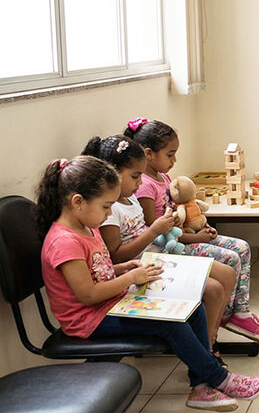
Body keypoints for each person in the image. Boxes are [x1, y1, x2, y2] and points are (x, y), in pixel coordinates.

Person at [35, 156, 259, 411]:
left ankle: (201, 386)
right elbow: (87, 294)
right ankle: (219, 378)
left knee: (192, 308)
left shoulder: (87, 227)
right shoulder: (64, 242)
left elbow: (94, 271)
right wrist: (130, 278)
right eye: (105, 206)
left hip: (110, 303)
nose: (109, 213)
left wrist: (121, 268)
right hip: (87, 319)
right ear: (77, 202)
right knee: (172, 324)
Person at [84, 135, 237, 357]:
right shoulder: (109, 211)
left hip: (160, 256)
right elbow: (116, 256)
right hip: (144, 266)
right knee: (213, 289)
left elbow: (150, 232)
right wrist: (155, 230)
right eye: (135, 176)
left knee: (227, 272)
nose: (139, 183)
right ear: (112, 175)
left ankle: (209, 339)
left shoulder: (131, 198)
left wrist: (168, 225)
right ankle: (207, 350)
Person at [126, 118, 259, 342]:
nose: (175, 160)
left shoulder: (163, 177)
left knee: (242, 247)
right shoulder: (144, 186)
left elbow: (179, 211)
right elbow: (159, 232)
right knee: (230, 258)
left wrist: (203, 227)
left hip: (186, 234)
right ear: (148, 153)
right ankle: (222, 315)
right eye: (170, 154)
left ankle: (239, 312)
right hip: (171, 244)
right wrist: (194, 237)